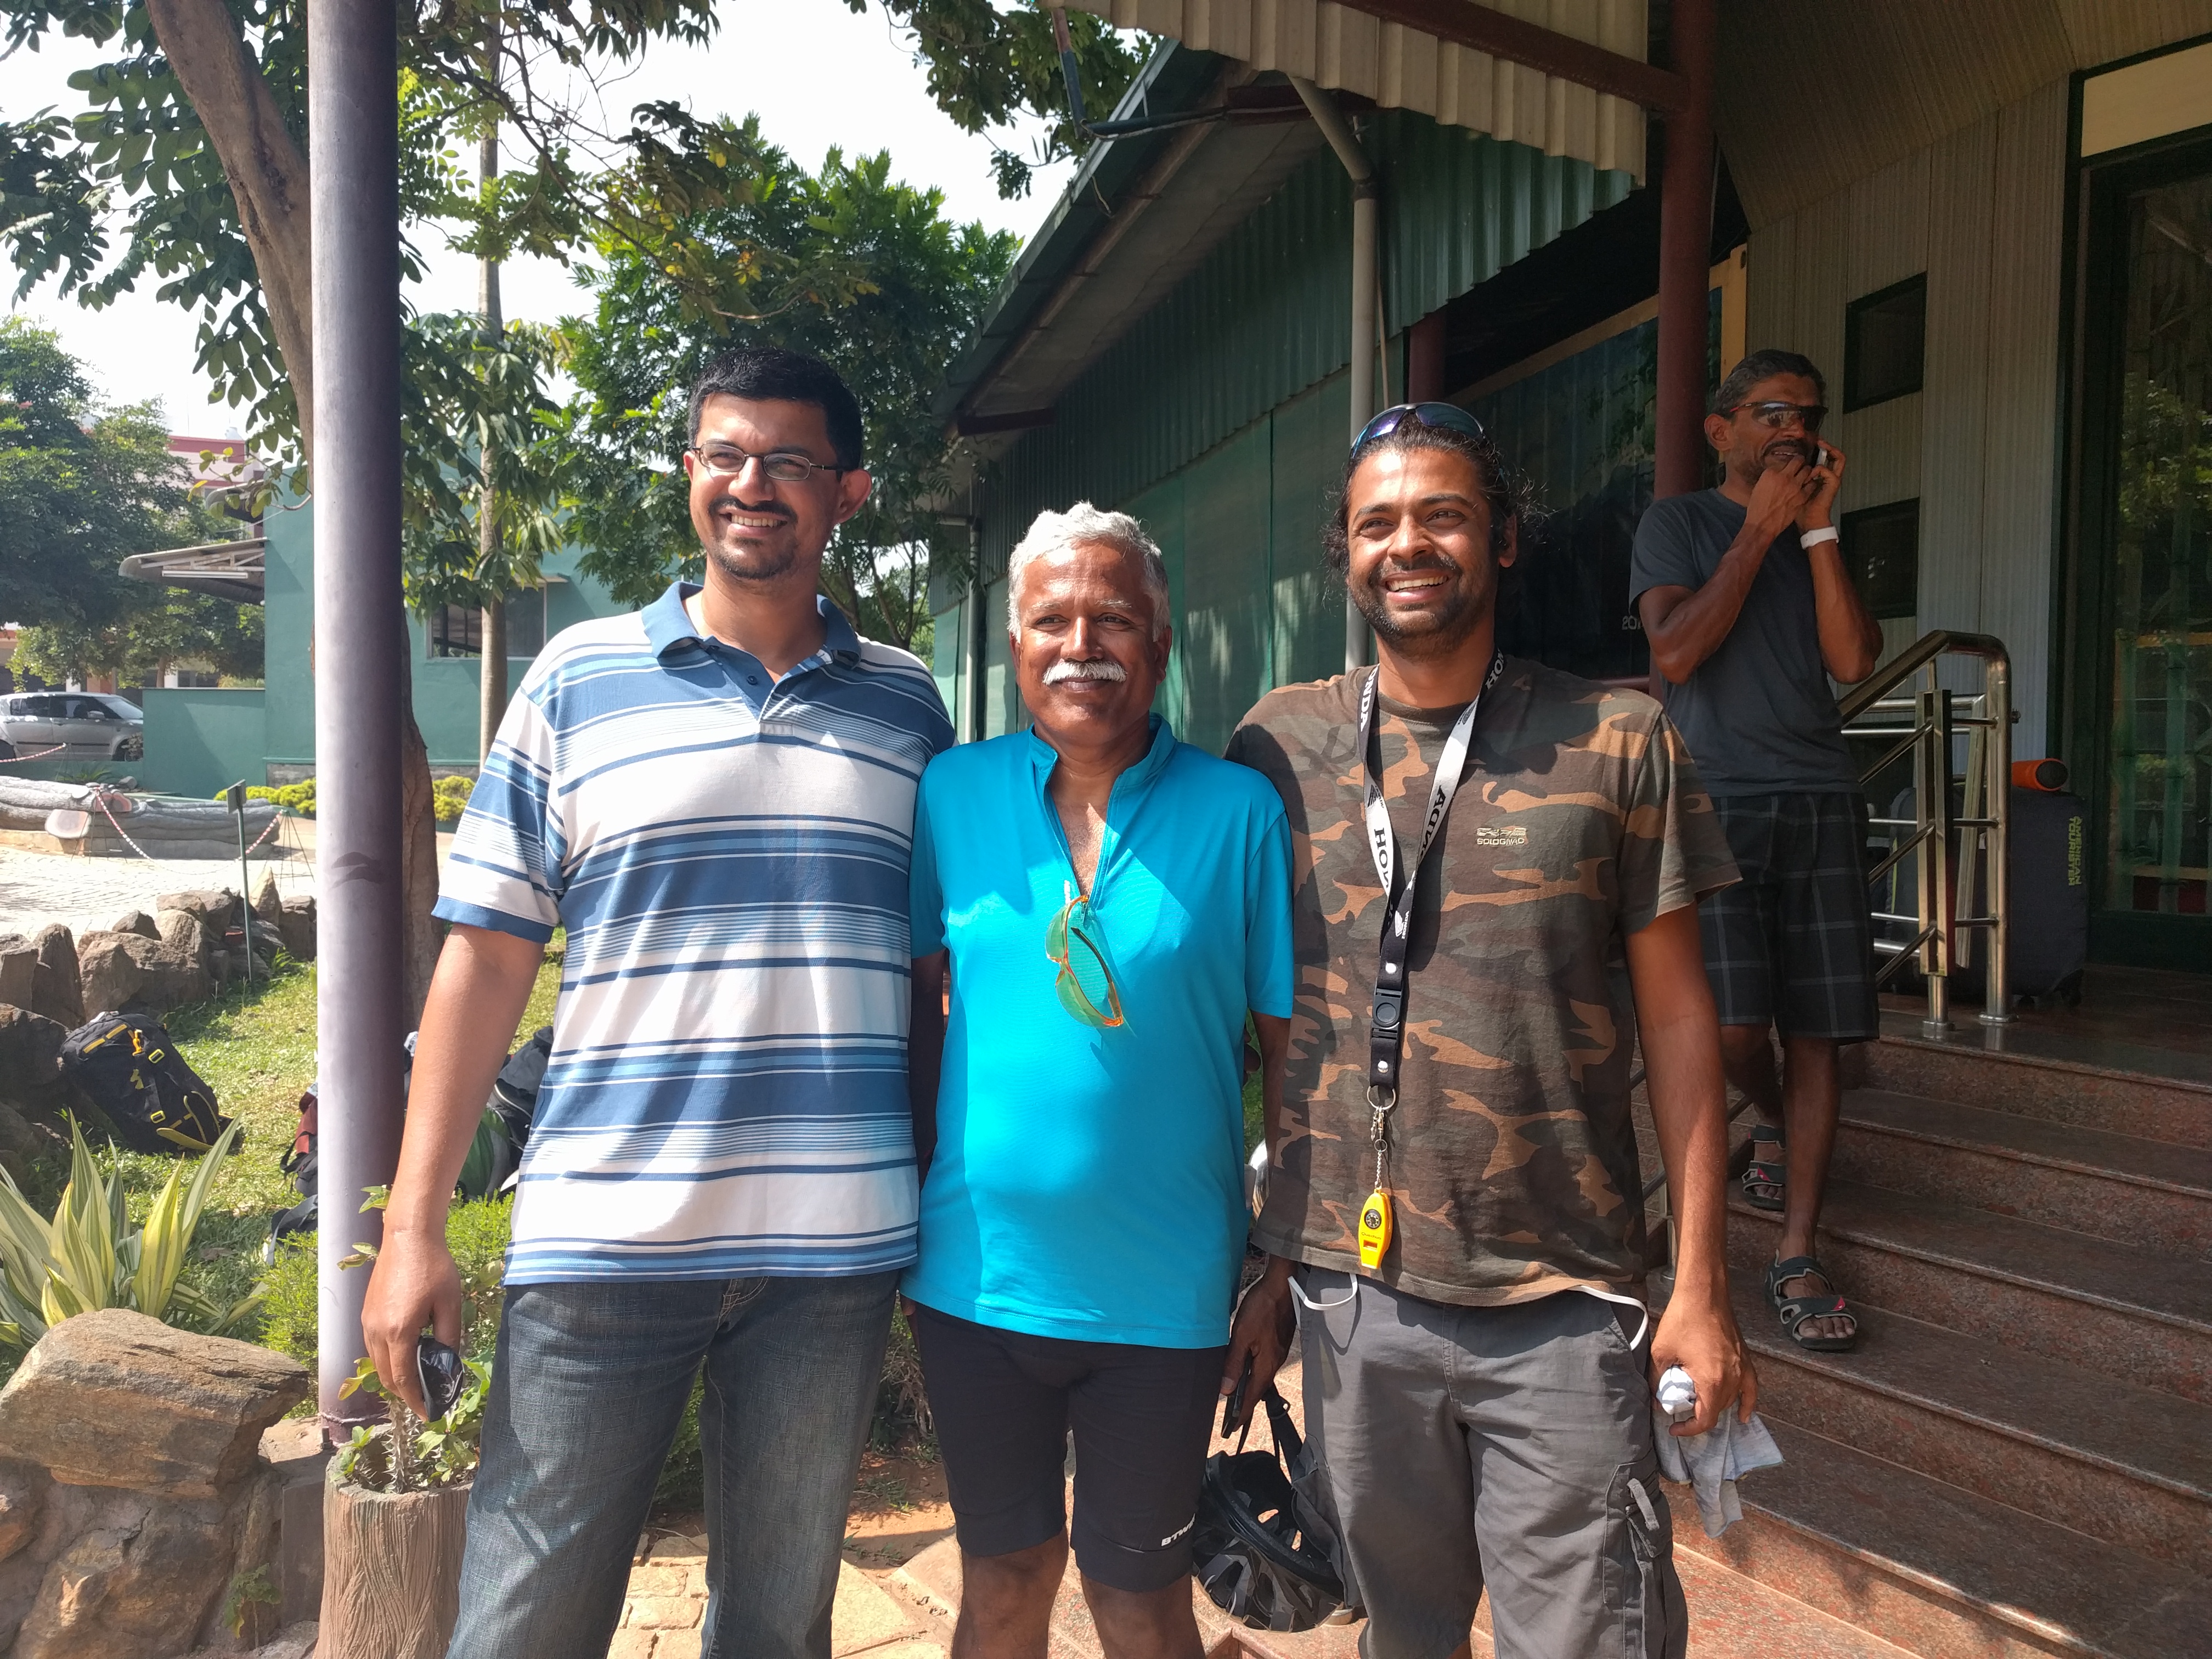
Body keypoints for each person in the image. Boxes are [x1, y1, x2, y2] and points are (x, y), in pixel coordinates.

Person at [360, 346, 954, 1659]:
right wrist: (413, 1228)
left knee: (777, 1628)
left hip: (831, 1256)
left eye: (789, 460)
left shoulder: (909, 706)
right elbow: (486, 959)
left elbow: (936, 980)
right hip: (604, 1240)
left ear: (848, 491)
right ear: (690, 474)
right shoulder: (578, 679)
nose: (752, 484)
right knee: (522, 1623)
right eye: (724, 455)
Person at [1223, 403, 1753, 1659]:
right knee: (1403, 1638)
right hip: (1354, 1305)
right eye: (1378, 523)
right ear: (1345, 552)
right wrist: (1270, 1265)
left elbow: (1684, 1024)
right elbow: (1273, 1027)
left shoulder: (1619, 741)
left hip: (1561, 1300)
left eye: (1444, 515)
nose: (1408, 544)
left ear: (1504, 539)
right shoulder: (1278, 746)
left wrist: (1701, 1285)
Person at [902, 503, 1295, 1659]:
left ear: (1160, 644)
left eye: (1114, 620)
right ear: (1016, 645)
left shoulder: (1239, 812)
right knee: (1003, 1581)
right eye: (1052, 621)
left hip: (1165, 1297)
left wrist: (1276, 1272)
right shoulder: (950, 795)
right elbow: (920, 1018)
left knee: (1139, 1601)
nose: (1082, 646)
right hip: (975, 1284)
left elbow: (1292, 1061)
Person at [1629, 349, 1884, 1353]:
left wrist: (1815, 530)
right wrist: (1760, 528)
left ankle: (1797, 1247)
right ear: (1722, 428)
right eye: (1773, 412)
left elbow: (1853, 659)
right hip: (1714, 800)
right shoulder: (1680, 524)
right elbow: (1676, 651)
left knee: (1818, 1032)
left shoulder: (1813, 531)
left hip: (1821, 795)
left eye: (1808, 415)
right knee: (1738, 1030)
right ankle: (1772, 1117)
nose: (1795, 430)